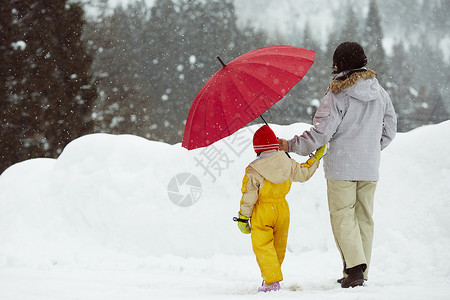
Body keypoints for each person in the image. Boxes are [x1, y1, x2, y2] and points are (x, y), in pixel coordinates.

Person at [278, 41, 397, 288]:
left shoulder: (337, 95)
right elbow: (391, 129)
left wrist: (290, 145)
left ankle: (353, 270)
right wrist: (372, 149)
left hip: (341, 167)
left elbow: (321, 135)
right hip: (369, 167)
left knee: (343, 216)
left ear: (339, 65)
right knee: (364, 218)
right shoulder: (381, 93)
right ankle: (359, 272)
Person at [234, 124, 327, 292]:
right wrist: (315, 159)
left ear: (257, 149)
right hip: (282, 210)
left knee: (263, 247)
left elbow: (248, 197)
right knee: (278, 246)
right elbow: (304, 173)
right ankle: (271, 278)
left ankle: (271, 282)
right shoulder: (288, 162)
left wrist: (242, 217)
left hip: (262, 212)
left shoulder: (253, 170)